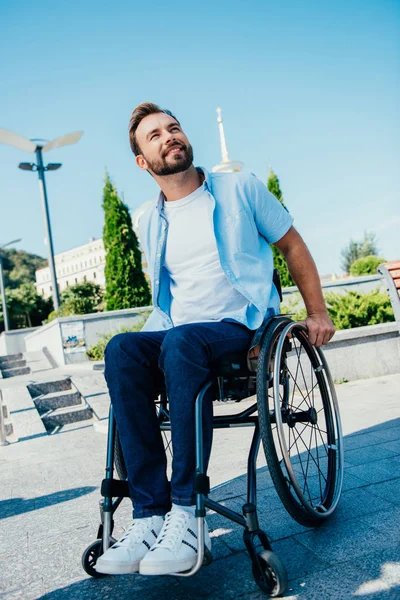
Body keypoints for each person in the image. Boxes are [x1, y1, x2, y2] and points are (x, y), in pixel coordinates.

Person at [96, 102, 335, 577]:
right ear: (143, 162)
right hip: (176, 334)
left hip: (241, 329)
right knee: (121, 351)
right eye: (154, 136)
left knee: (182, 343)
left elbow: (292, 244)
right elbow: (166, 299)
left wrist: (317, 311)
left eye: (174, 127)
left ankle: (188, 513)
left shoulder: (239, 188)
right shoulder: (149, 219)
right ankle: (149, 515)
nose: (169, 136)